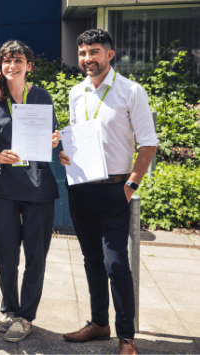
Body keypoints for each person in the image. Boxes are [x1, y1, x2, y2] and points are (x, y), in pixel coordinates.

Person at [59, 29, 158, 355]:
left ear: (110, 54)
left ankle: (126, 337)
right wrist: (65, 154)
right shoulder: (76, 93)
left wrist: (131, 186)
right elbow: (78, 137)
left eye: (94, 52)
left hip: (116, 190)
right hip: (82, 189)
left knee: (116, 264)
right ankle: (99, 323)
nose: (88, 58)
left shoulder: (131, 92)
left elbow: (149, 143)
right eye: (83, 52)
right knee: (91, 261)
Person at [0, 40, 61, 343]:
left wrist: (54, 140)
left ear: (29, 65)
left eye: (18, 60)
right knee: (5, 253)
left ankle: (26, 316)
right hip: (1, 187)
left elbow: (53, 134)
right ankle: (9, 308)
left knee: (36, 255)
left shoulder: (41, 96)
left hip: (38, 186)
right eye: (6, 61)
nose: (11, 66)